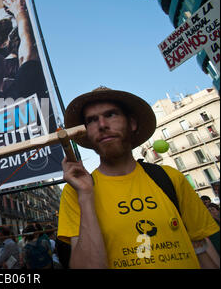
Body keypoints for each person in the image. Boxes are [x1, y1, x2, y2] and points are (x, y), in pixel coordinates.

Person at [57, 86, 220, 269]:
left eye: (111, 115)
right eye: (92, 120)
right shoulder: (75, 193)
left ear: (132, 123)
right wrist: (86, 196)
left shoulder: (170, 177)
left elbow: (201, 247)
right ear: (86, 132)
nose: (102, 125)